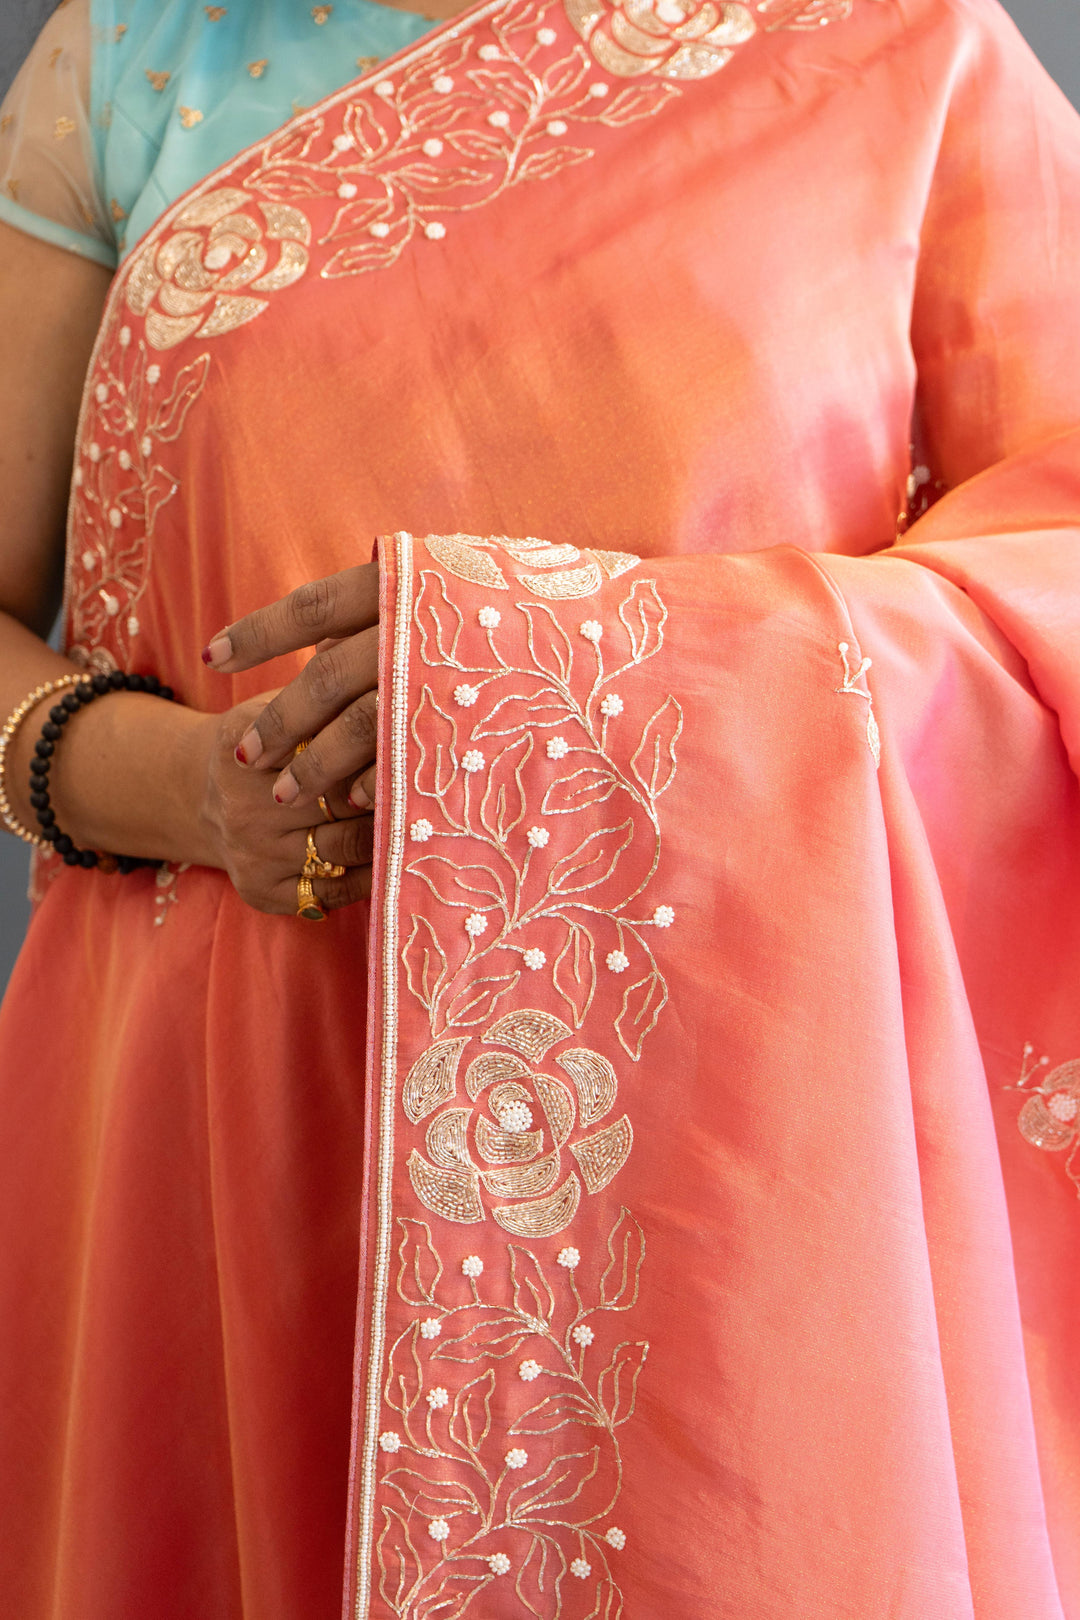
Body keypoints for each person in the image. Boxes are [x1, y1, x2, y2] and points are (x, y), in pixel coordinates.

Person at [2, 0, 1080, 1615]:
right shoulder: (149, 48)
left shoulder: (899, 48)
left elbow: (1051, 592)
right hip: (225, 1115)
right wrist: (192, 792)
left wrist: (594, 672)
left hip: (726, 1140)